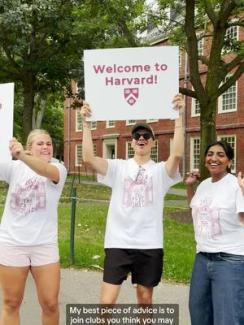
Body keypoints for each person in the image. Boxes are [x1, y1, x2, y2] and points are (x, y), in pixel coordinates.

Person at [80, 94, 184, 304]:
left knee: (145, 300)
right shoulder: (118, 167)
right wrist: (86, 124)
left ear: (153, 143)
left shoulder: (160, 171)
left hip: (149, 243)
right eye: (137, 135)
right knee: (106, 302)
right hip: (118, 242)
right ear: (132, 142)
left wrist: (179, 116)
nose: (141, 138)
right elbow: (88, 159)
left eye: (146, 135)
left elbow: (177, 156)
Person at [0, 129, 67, 325]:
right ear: (30, 148)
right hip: (12, 243)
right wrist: (17, 154)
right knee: (11, 303)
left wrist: (20, 155)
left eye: (49, 143)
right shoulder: (14, 168)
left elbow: (46, 172)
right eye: (40, 143)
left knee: (50, 304)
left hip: (44, 244)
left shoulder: (58, 168)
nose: (46, 147)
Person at [185, 141, 244, 325]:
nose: (214, 158)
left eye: (220, 155)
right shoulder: (203, 185)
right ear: (204, 160)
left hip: (230, 260)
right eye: (210, 154)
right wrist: (189, 187)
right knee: (199, 313)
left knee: (228, 318)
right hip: (202, 258)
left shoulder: (236, 185)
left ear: (229, 161)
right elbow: (195, 211)